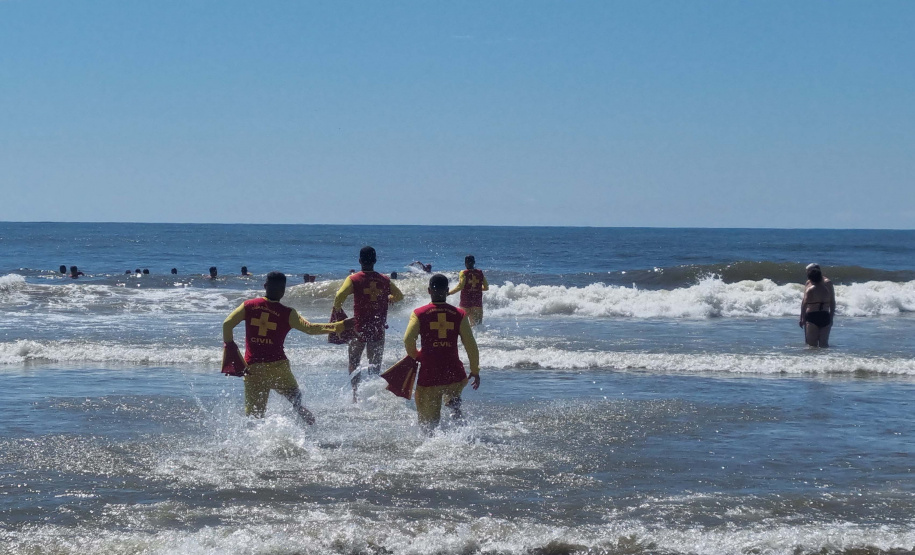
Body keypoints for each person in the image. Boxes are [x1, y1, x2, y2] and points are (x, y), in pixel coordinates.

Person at [222, 271, 353, 422]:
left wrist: (230, 348)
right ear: (283, 291)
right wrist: (340, 325)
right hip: (278, 367)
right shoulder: (287, 313)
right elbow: (310, 329)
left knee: (254, 416)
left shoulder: (249, 306)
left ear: (265, 286)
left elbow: (227, 324)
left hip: (253, 368)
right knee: (295, 395)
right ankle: (298, 409)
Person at [404, 274, 480, 433]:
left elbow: (408, 340)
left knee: (428, 424)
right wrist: (474, 370)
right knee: (455, 409)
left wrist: (417, 355)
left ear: (428, 291)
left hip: (429, 374)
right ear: (447, 291)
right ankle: (461, 435)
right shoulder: (459, 314)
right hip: (454, 373)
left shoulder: (419, 313)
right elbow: (471, 345)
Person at [333, 246, 404, 401]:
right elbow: (399, 295)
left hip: (359, 328)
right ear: (375, 261)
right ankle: (373, 396)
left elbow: (339, 297)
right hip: (378, 328)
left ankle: (355, 395)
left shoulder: (353, 279)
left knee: (354, 361)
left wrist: (339, 315)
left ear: (359, 261)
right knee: (375, 364)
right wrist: (388, 299)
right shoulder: (384, 280)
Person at [800, 263, 836, 348]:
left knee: (822, 344)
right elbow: (804, 301)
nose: (807, 274)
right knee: (809, 343)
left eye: (808, 271)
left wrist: (831, 317)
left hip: (823, 314)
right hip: (811, 314)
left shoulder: (827, 283)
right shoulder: (808, 282)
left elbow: (832, 301)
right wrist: (802, 317)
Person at [448, 255, 489, 326]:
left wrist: (449, 293)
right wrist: (477, 288)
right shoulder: (480, 273)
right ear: (474, 262)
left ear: (465, 263)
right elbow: (486, 288)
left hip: (465, 303)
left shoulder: (463, 273)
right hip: (477, 303)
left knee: (463, 326)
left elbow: (460, 286)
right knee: (477, 327)